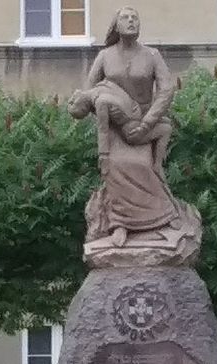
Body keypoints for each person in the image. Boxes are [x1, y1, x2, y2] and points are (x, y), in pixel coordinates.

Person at [70, 6, 179, 247]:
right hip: (116, 128)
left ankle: (162, 218)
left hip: (146, 122)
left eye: (134, 18)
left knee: (143, 164)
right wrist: (97, 106)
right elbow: (89, 92)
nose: (131, 21)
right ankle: (120, 224)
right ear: (116, 26)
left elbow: (166, 89)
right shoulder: (105, 56)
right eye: (125, 18)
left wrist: (148, 121)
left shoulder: (152, 55)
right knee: (118, 165)